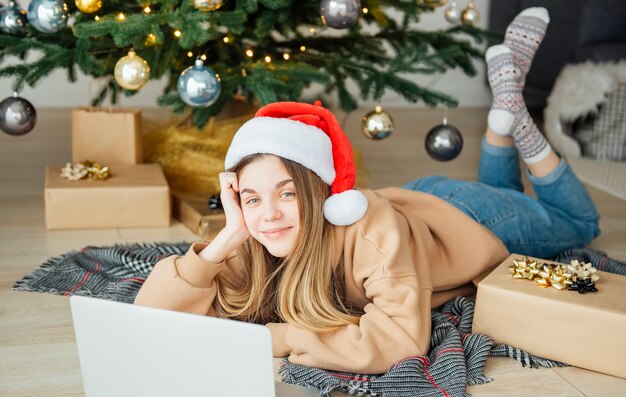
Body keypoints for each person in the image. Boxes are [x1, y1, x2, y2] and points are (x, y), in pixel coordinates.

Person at [134, 8, 600, 374]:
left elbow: (399, 341)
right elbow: (149, 317)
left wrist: (280, 338)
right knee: (504, 190)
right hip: (413, 208)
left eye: (287, 193)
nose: (269, 214)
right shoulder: (255, 234)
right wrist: (228, 237)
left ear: (319, 194)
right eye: (252, 198)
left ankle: (517, 119)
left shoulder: (370, 237)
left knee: (582, 224)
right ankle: (501, 120)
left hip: (468, 218)